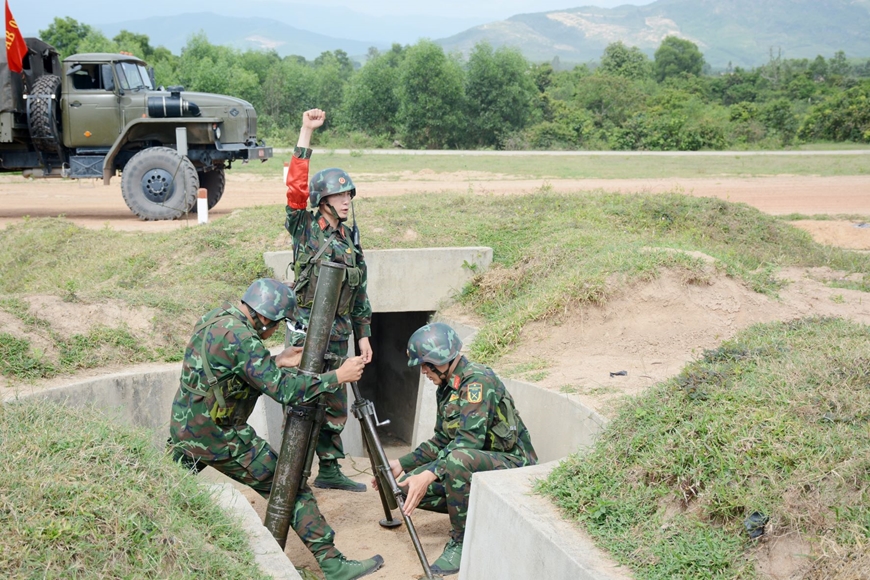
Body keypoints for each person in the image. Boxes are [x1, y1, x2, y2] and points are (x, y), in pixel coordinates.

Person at [168, 278, 383, 580]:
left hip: (184, 426)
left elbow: (229, 368)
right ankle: (333, 564)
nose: (272, 331)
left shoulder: (214, 319)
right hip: (218, 437)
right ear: (265, 316)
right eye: (276, 324)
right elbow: (286, 391)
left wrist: (276, 360)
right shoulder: (245, 339)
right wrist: (337, 376)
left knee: (165, 488)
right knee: (289, 485)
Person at [376, 322, 538, 576]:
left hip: (511, 463)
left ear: (439, 361)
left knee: (456, 461)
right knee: (407, 487)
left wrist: (429, 473)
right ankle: (478, 515)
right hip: (473, 464)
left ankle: (461, 541)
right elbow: (442, 439)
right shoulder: (447, 386)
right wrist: (403, 464)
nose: (423, 373)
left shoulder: (477, 383)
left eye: (424, 366)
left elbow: (468, 443)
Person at [284, 108, 372, 493]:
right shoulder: (304, 228)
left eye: (348, 193)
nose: (346, 200)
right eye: (339, 194)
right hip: (306, 329)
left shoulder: (351, 240)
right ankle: (294, 471)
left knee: (335, 399)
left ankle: (331, 469)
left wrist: (363, 335)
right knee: (305, 396)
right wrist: (306, 131)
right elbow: (295, 186)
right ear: (322, 200)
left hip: (338, 333)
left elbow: (360, 291)